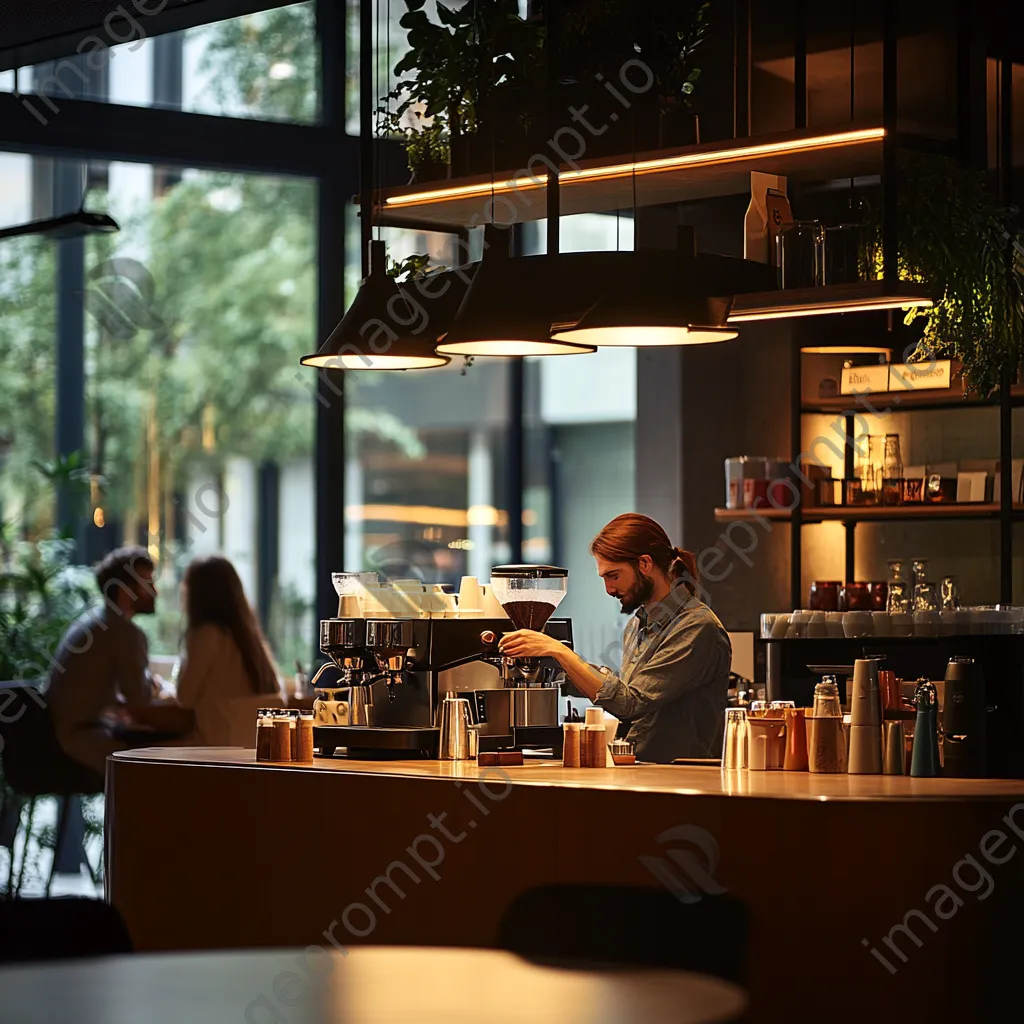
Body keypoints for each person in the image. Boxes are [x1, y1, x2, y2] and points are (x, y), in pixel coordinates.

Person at [499, 513, 731, 763]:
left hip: (682, 780)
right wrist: (550, 672)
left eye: (614, 575)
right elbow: (628, 690)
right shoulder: (638, 624)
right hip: (644, 772)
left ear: (644, 564)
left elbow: (630, 703)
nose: (609, 589)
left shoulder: (696, 627)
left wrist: (560, 652)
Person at [47, 546, 162, 776]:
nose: (155, 592)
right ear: (124, 591)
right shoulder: (124, 632)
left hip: (57, 739)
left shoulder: (92, 622)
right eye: (148, 584)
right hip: (82, 740)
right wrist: (157, 687)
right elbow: (139, 699)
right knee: (163, 767)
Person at [174, 555, 281, 745]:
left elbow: (184, 697)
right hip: (250, 750)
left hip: (215, 746)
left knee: (136, 754)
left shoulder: (205, 634)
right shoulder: (247, 637)